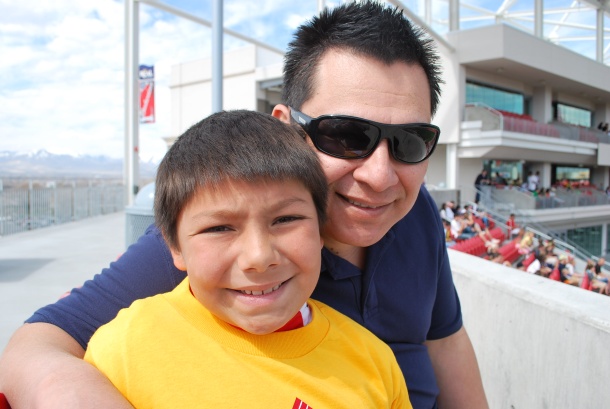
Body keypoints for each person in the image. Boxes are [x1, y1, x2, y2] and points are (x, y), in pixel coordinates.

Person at [0, 2, 488, 409]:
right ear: (286, 128)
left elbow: (445, 339)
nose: (380, 176)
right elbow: (38, 346)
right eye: (347, 135)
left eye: (409, 142)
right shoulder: (218, 238)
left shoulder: (417, 212)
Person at [83, 110, 411, 408]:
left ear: (320, 230)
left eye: (285, 220)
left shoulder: (374, 362)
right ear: (176, 248)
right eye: (220, 227)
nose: (259, 257)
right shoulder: (124, 348)